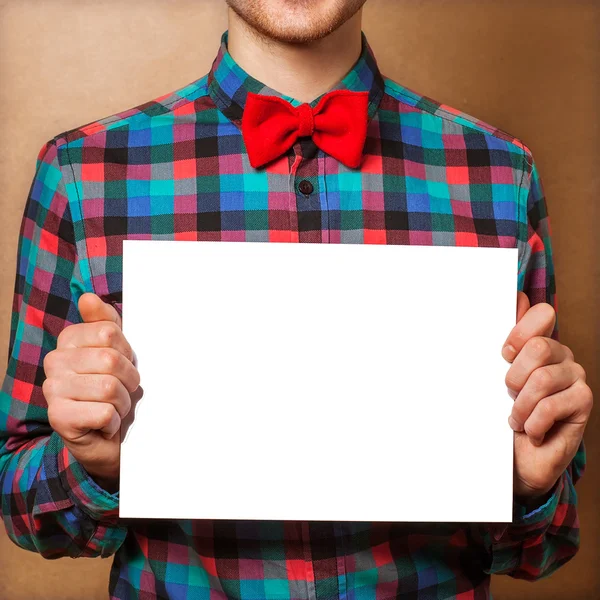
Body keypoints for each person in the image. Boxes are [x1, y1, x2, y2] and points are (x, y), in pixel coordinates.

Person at [0, 1, 593, 599]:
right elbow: (20, 500)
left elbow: (551, 539)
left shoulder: (498, 172)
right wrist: (91, 464)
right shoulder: (85, 172)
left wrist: (529, 484)